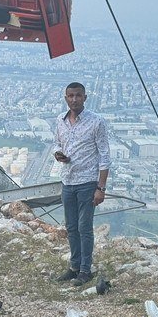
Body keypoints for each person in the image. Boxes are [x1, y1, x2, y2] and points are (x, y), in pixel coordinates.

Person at [52, 82, 110, 287]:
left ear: (85, 97)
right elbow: (58, 143)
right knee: (71, 226)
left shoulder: (97, 122)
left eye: (78, 95)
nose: (74, 99)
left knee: (84, 227)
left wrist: (101, 188)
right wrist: (59, 154)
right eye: (70, 96)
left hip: (87, 181)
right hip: (67, 179)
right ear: (65, 98)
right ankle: (74, 266)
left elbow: (104, 155)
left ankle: (86, 269)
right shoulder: (60, 120)